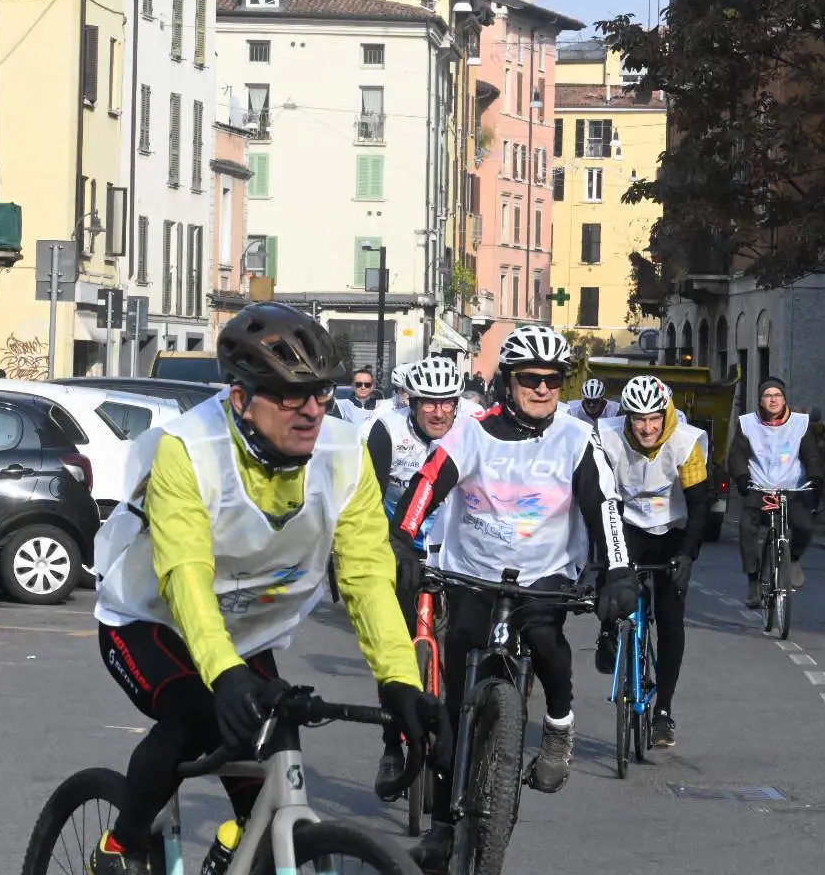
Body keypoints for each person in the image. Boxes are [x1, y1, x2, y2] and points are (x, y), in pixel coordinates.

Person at [87, 302, 443, 875]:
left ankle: (239, 849)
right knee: (196, 720)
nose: (311, 412)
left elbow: (367, 575)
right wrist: (225, 676)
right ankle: (120, 847)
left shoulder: (344, 453)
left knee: (271, 775)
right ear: (239, 399)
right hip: (149, 618)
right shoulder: (189, 451)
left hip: (245, 632)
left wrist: (399, 683)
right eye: (287, 395)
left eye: (322, 394)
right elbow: (185, 574)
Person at [391, 325, 636, 871]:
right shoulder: (472, 433)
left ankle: (558, 727)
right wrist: (402, 539)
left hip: (544, 572)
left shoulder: (577, 438)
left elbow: (604, 504)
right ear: (509, 381)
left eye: (554, 380)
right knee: (453, 698)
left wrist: (619, 570)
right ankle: (441, 825)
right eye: (532, 379)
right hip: (473, 574)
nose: (544, 389)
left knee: (547, 641)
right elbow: (429, 483)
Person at [592, 375, 712, 749]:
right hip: (628, 525)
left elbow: (699, 507)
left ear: (666, 415)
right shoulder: (606, 435)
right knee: (611, 581)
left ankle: (664, 711)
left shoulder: (686, 443)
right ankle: (610, 631)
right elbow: (596, 497)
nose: (646, 427)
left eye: (653, 418)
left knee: (671, 617)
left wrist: (687, 555)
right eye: (638, 418)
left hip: (673, 530)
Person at [364, 355, 464, 795]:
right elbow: (367, 494)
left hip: (453, 549)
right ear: (412, 402)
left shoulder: (471, 430)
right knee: (395, 649)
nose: (439, 412)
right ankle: (391, 747)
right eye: (429, 403)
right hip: (399, 546)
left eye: (447, 403)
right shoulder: (388, 429)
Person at [727, 377, 825, 608]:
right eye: (768, 396)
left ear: (784, 399)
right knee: (747, 529)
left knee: (805, 526)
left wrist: (815, 476)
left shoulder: (801, 423)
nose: (773, 400)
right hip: (760, 488)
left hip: (792, 488)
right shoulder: (748, 424)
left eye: (777, 395)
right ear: (761, 401)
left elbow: (811, 454)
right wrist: (742, 476)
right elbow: (737, 455)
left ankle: (793, 559)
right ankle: (753, 581)